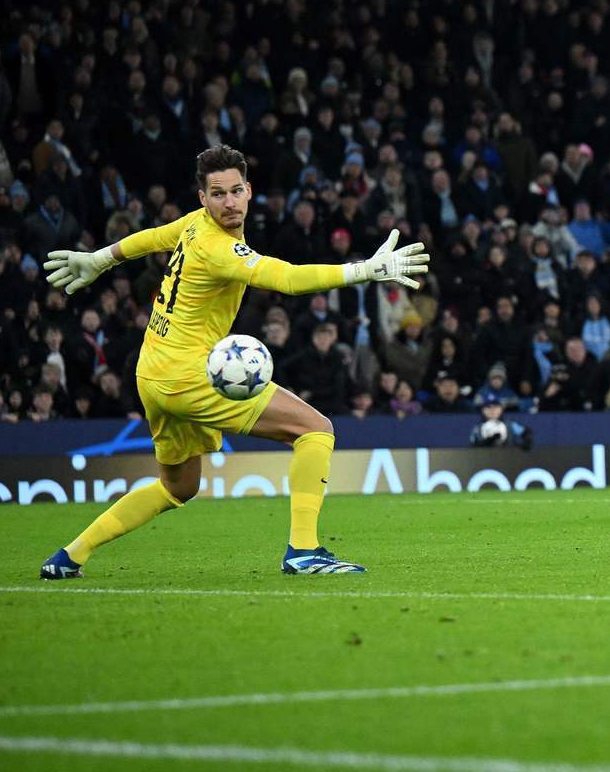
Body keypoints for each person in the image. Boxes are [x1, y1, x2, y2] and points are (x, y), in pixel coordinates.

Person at [38, 145, 429, 578]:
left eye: (236, 191)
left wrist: (100, 258)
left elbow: (149, 238)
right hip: (187, 375)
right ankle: (304, 550)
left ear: (248, 191)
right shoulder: (217, 247)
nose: (229, 202)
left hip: (152, 373)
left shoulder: (191, 225)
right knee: (315, 430)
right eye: (218, 194)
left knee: (178, 487)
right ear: (203, 197)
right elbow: (286, 278)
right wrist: (362, 270)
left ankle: (70, 556)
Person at [468, 391, 533, 449]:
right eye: (488, 407)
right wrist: (487, 442)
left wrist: (527, 441)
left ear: (501, 409)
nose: (492, 410)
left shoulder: (510, 425)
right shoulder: (478, 428)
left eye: (496, 407)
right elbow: (472, 447)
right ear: (483, 410)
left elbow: (526, 432)